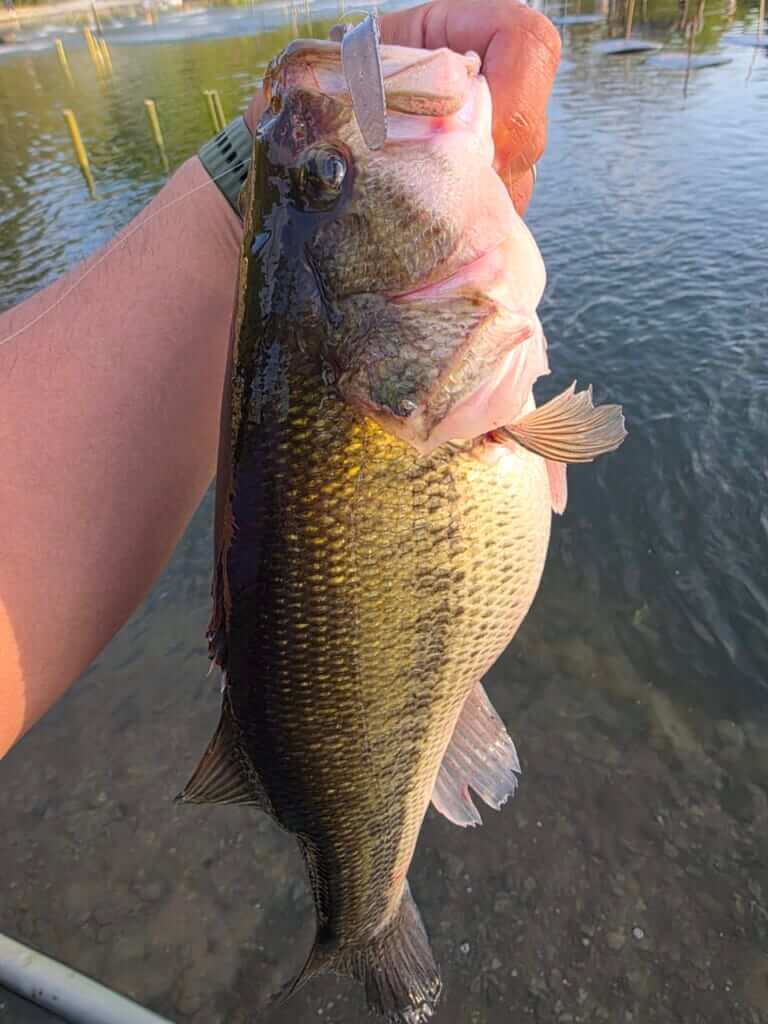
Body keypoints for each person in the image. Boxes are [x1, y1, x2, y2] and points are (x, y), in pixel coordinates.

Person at [0, 0, 560, 758]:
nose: (325, 165)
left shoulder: (397, 371)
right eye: (328, 175)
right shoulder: (397, 378)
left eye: (325, 172)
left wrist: (251, 168)